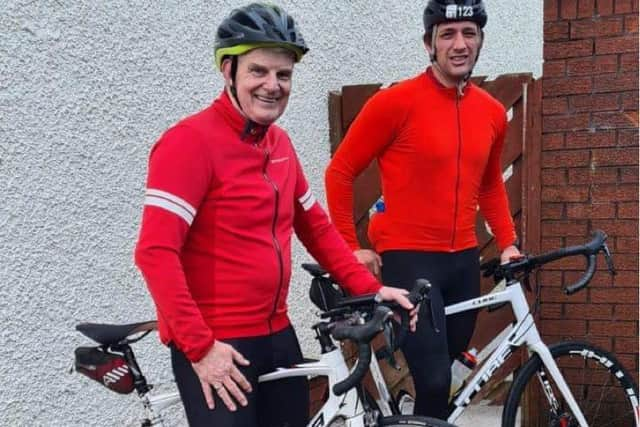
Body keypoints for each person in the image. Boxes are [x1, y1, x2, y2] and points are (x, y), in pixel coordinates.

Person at [134, 3, 415, 427]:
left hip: (276, 332)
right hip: (218, 341)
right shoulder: (188, 144)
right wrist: (200, 348)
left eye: (283, 75)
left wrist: (370, 290)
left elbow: (316, 228)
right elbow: (155, 252)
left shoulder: (278, 144)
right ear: (228, 72)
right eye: (258, 72)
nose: (273, 85)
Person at [325, 0, 521, 420]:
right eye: (447, 34)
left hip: (463, 263)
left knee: (445, 374)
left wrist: (508, 244)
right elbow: (339, 173)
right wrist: (348, 248)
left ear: (481, 40)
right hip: (409, 262)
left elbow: (489, 184)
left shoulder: (490, 111)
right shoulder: (394, 102)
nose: (459, 43)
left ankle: (414, 416)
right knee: (433, 380)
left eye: (469, 33)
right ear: (428, 44)